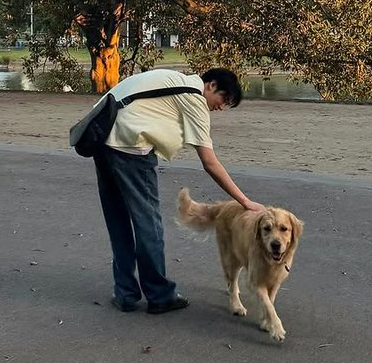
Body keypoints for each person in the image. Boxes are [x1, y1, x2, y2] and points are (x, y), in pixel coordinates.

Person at [92, 66, 261, 314]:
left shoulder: (173, 79)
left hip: (103, 141)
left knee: (118, 222)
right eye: (224, 99)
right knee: (148, 223)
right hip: (131, 149)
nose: (221, 107)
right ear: (211, 85)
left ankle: (125, 293)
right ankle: (160, 295)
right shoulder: (194, 96)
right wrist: (245, 202)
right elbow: (209, 162)